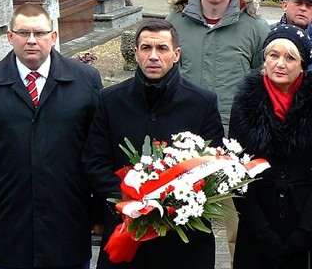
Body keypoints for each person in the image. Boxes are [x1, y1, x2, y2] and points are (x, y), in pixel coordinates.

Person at [0, 4, 102, 269]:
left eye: (39, 33)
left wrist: (101, 212)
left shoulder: (85, 80)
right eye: (23, 33)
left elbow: (98, 151)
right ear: (10, 37)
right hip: (10, 219)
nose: (32, 40)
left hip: (68, 217)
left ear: (53, 37)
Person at [82, 19, 224, 268]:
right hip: (127, 230)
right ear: (135, 53)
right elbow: (95, 160)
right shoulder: (111, 100)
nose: (154, 56)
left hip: (183, 238)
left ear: (176, 54)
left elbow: (213, 165)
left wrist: (172, 204)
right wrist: (130, 201)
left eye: (162, 49)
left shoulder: (202, 103)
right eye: (146, 48)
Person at [166, 0, 270, 259]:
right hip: (184, 145)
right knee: (183, 225)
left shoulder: (254, 28)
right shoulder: (176, 23)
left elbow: (261, 84)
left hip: (233, 144)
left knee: (232, 227)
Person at [229, 25, 312, 269]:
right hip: (260, 221)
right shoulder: (245, 101)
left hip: (308, 220)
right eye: (274, 55)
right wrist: (261, 231)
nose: (280, 63)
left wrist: (307, 230)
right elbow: (236, 171)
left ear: (302, 64)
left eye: (290, 57)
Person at [166, 0, 270, 131]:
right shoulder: (175, 22)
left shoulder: (255, 26)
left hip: (234, 129)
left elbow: (263, 78)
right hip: (183, 125)